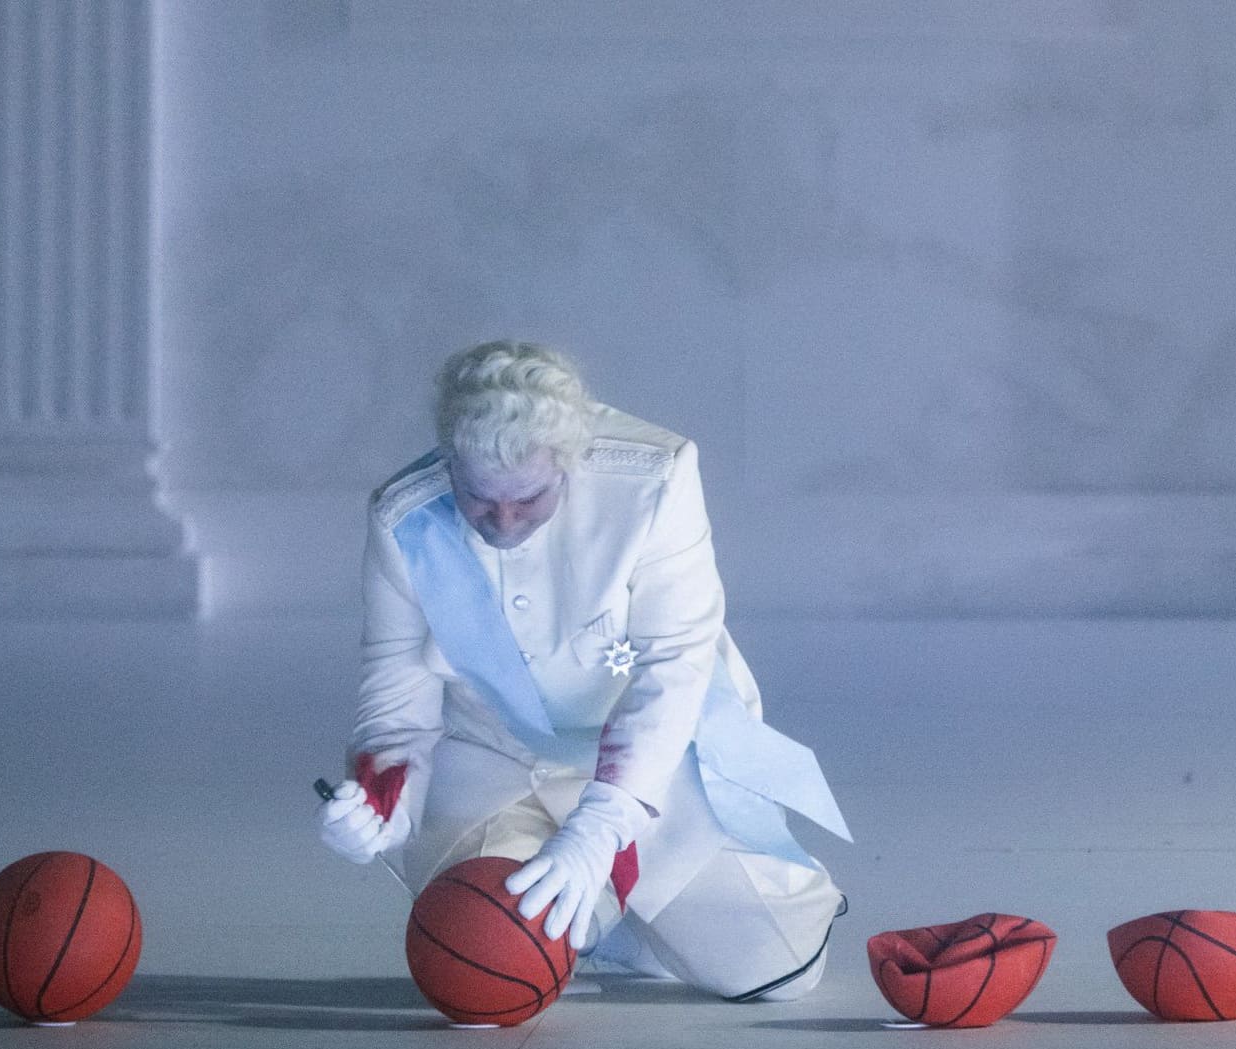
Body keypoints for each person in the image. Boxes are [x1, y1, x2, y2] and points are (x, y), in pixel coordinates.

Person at [318, 340, 850, 1001]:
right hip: (496, 759)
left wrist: (600, 827)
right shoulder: (405, 518)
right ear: (451, 459)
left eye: (529, 498)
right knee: (483, 949)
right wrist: (381, 806)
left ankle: (623, 915)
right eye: (478, 498)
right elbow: (396, 696)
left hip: (657, 757)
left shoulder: (655, 479)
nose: (503, 523)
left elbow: (671, 665)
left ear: (567, 462)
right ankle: (592, 918)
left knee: (779, 969)